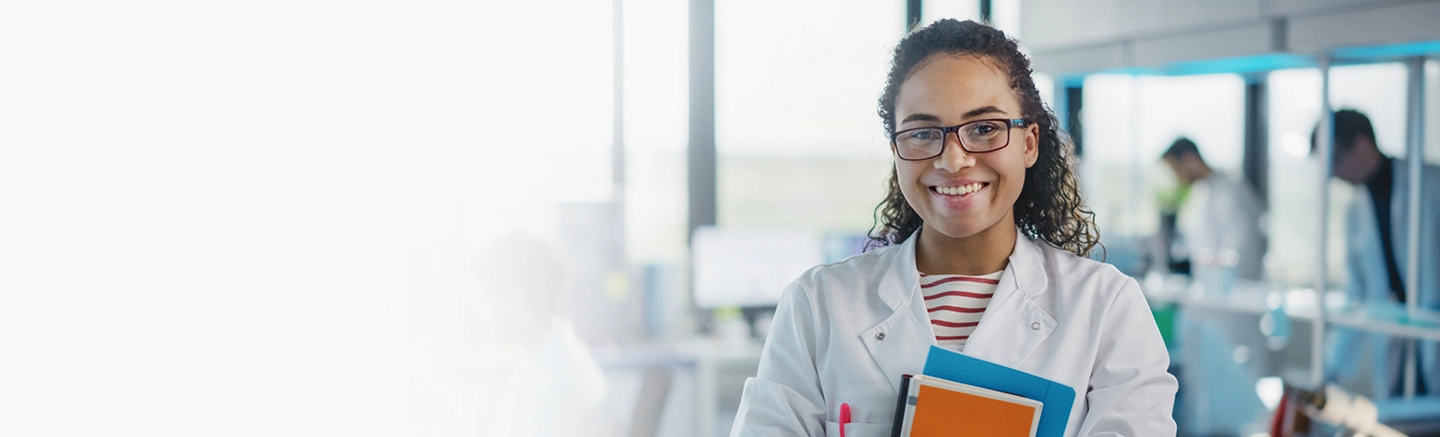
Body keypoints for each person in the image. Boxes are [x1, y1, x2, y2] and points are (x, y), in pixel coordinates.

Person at [730, 20, 1177, 437]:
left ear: (1029, 143)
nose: (953, 160)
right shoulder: (818, 305)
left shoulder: (1106, 307)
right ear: (897, 151)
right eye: (923, 134)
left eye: (984, 128)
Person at [1317, 109, 1440, 398]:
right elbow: (1356, 295)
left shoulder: (1431, 184)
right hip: (1395, 340)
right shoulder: (1355, 210)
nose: (1334, 174)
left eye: (1335, 161)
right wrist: (1329, 370)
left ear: (1361, 144)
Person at [1160, 137, 1267, 280]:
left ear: (1189, 159)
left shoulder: (1229, 192)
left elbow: (1240, 245)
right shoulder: (1201, 192)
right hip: (1212, 284)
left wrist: (1215, 269)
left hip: (1233, 286)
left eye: (1175, 169)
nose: (1176, 177)